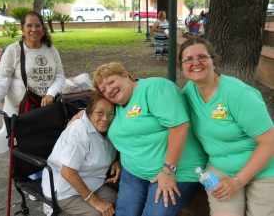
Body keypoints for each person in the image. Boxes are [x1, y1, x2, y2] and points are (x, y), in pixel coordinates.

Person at [92, 62, 207, 216]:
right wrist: (81, 117)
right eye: (103, 89)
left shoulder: (155, 88)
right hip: (133, 172)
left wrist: (168, 172)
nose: (109, 90)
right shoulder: (115, 106)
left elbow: (179, 128)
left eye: (111, 82)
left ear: (126, 75)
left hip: (175, 171)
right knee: (125, 213)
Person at [179, 37, 274, 216]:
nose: (195, 63)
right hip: (220, 168)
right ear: (182, 66)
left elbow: (269, 142)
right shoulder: (188, 93)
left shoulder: (237, 93)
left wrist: (237, 182)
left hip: (264, 169)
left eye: (202, 57)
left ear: (214, 61)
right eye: (188, 59)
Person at [42, 93, 120, 216]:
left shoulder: (111, 128)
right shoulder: (79, 132)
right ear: (89, 113)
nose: (105, 118)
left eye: (110, 114)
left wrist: (116, 161)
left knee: (117, 202)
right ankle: (53, 208)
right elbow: (68, 172)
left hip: (92, 180)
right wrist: (95, 202)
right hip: (64, 188)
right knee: (96, 213)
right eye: (99, 113)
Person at [0, 11, 65, 116]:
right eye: (29, 26)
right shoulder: (13, 50)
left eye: (38, 26)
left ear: (43, 30)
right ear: (22, 29)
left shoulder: (51, 50)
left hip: (47, 110)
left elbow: (59, 76)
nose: (34, 29)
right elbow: (2, 78)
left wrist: (51, 94)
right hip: (20, 112)